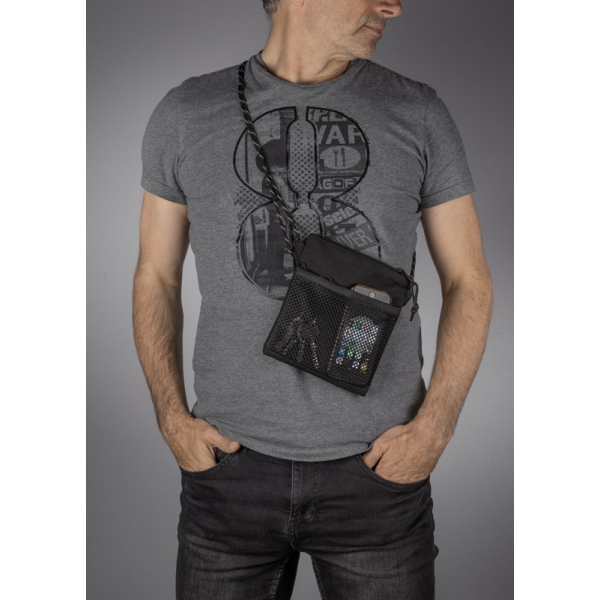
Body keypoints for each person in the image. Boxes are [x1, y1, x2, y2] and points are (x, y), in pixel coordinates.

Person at [132, 0, 494, 598]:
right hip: (228, 468)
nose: (394, 6)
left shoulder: (419, 112)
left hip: (376, 475)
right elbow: (156, 276)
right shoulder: (187, 112)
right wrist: (171, 418)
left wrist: (435, 428)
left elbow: (469, 280)